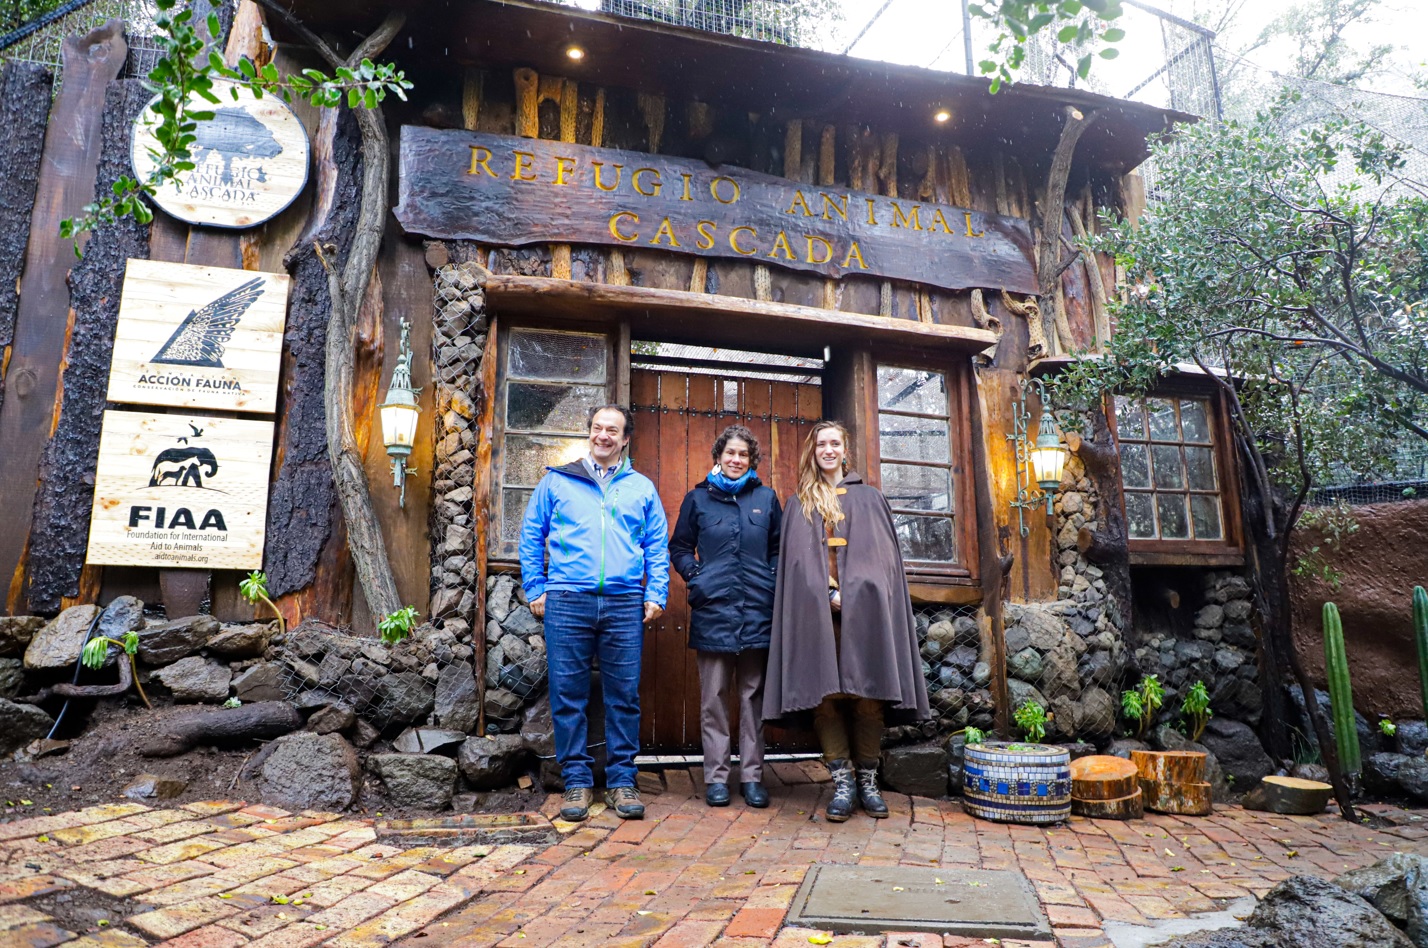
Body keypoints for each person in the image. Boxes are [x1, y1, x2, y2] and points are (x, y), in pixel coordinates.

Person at [764, 420, 929, 822]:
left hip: (866, 614)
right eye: (821, 444)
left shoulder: (870, 499)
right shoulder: (799, 502)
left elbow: (883, 562)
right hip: (816, 615)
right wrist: (825, 591)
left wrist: (854, 593)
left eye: (834, 443)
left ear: (844, 449)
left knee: (867, 695)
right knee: (825, 698)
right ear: (813, 450)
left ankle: (868, 781)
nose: (828, 450)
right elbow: (797, 567)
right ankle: (842, 782)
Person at [519, 404, 670, 822]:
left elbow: (657, 545)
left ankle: (622, 781)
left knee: (624, 695)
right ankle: (577, 783)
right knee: (569, 695)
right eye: (597, 428)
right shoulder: (558, 481)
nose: (603, 435)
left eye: (613, 430)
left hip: (624, 603)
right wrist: (535, 586)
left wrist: (655, 591)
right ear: (590, 434)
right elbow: (532, 534)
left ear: (624, 440)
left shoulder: (641, 487)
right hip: (567, 601)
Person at [669, 425, 781, 809]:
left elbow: (778, 549)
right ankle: (716, 777)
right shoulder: (697, 499)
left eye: (743, 455)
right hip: (714, 609)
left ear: (752, 461)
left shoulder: (766, 498)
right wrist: (697, 577)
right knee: (713, 698)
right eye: (730, 453)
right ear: (718, 456)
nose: (736, 460)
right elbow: (680, 546)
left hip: (757, 611)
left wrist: (771, 579)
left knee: (753, 696)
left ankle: (752, 777)